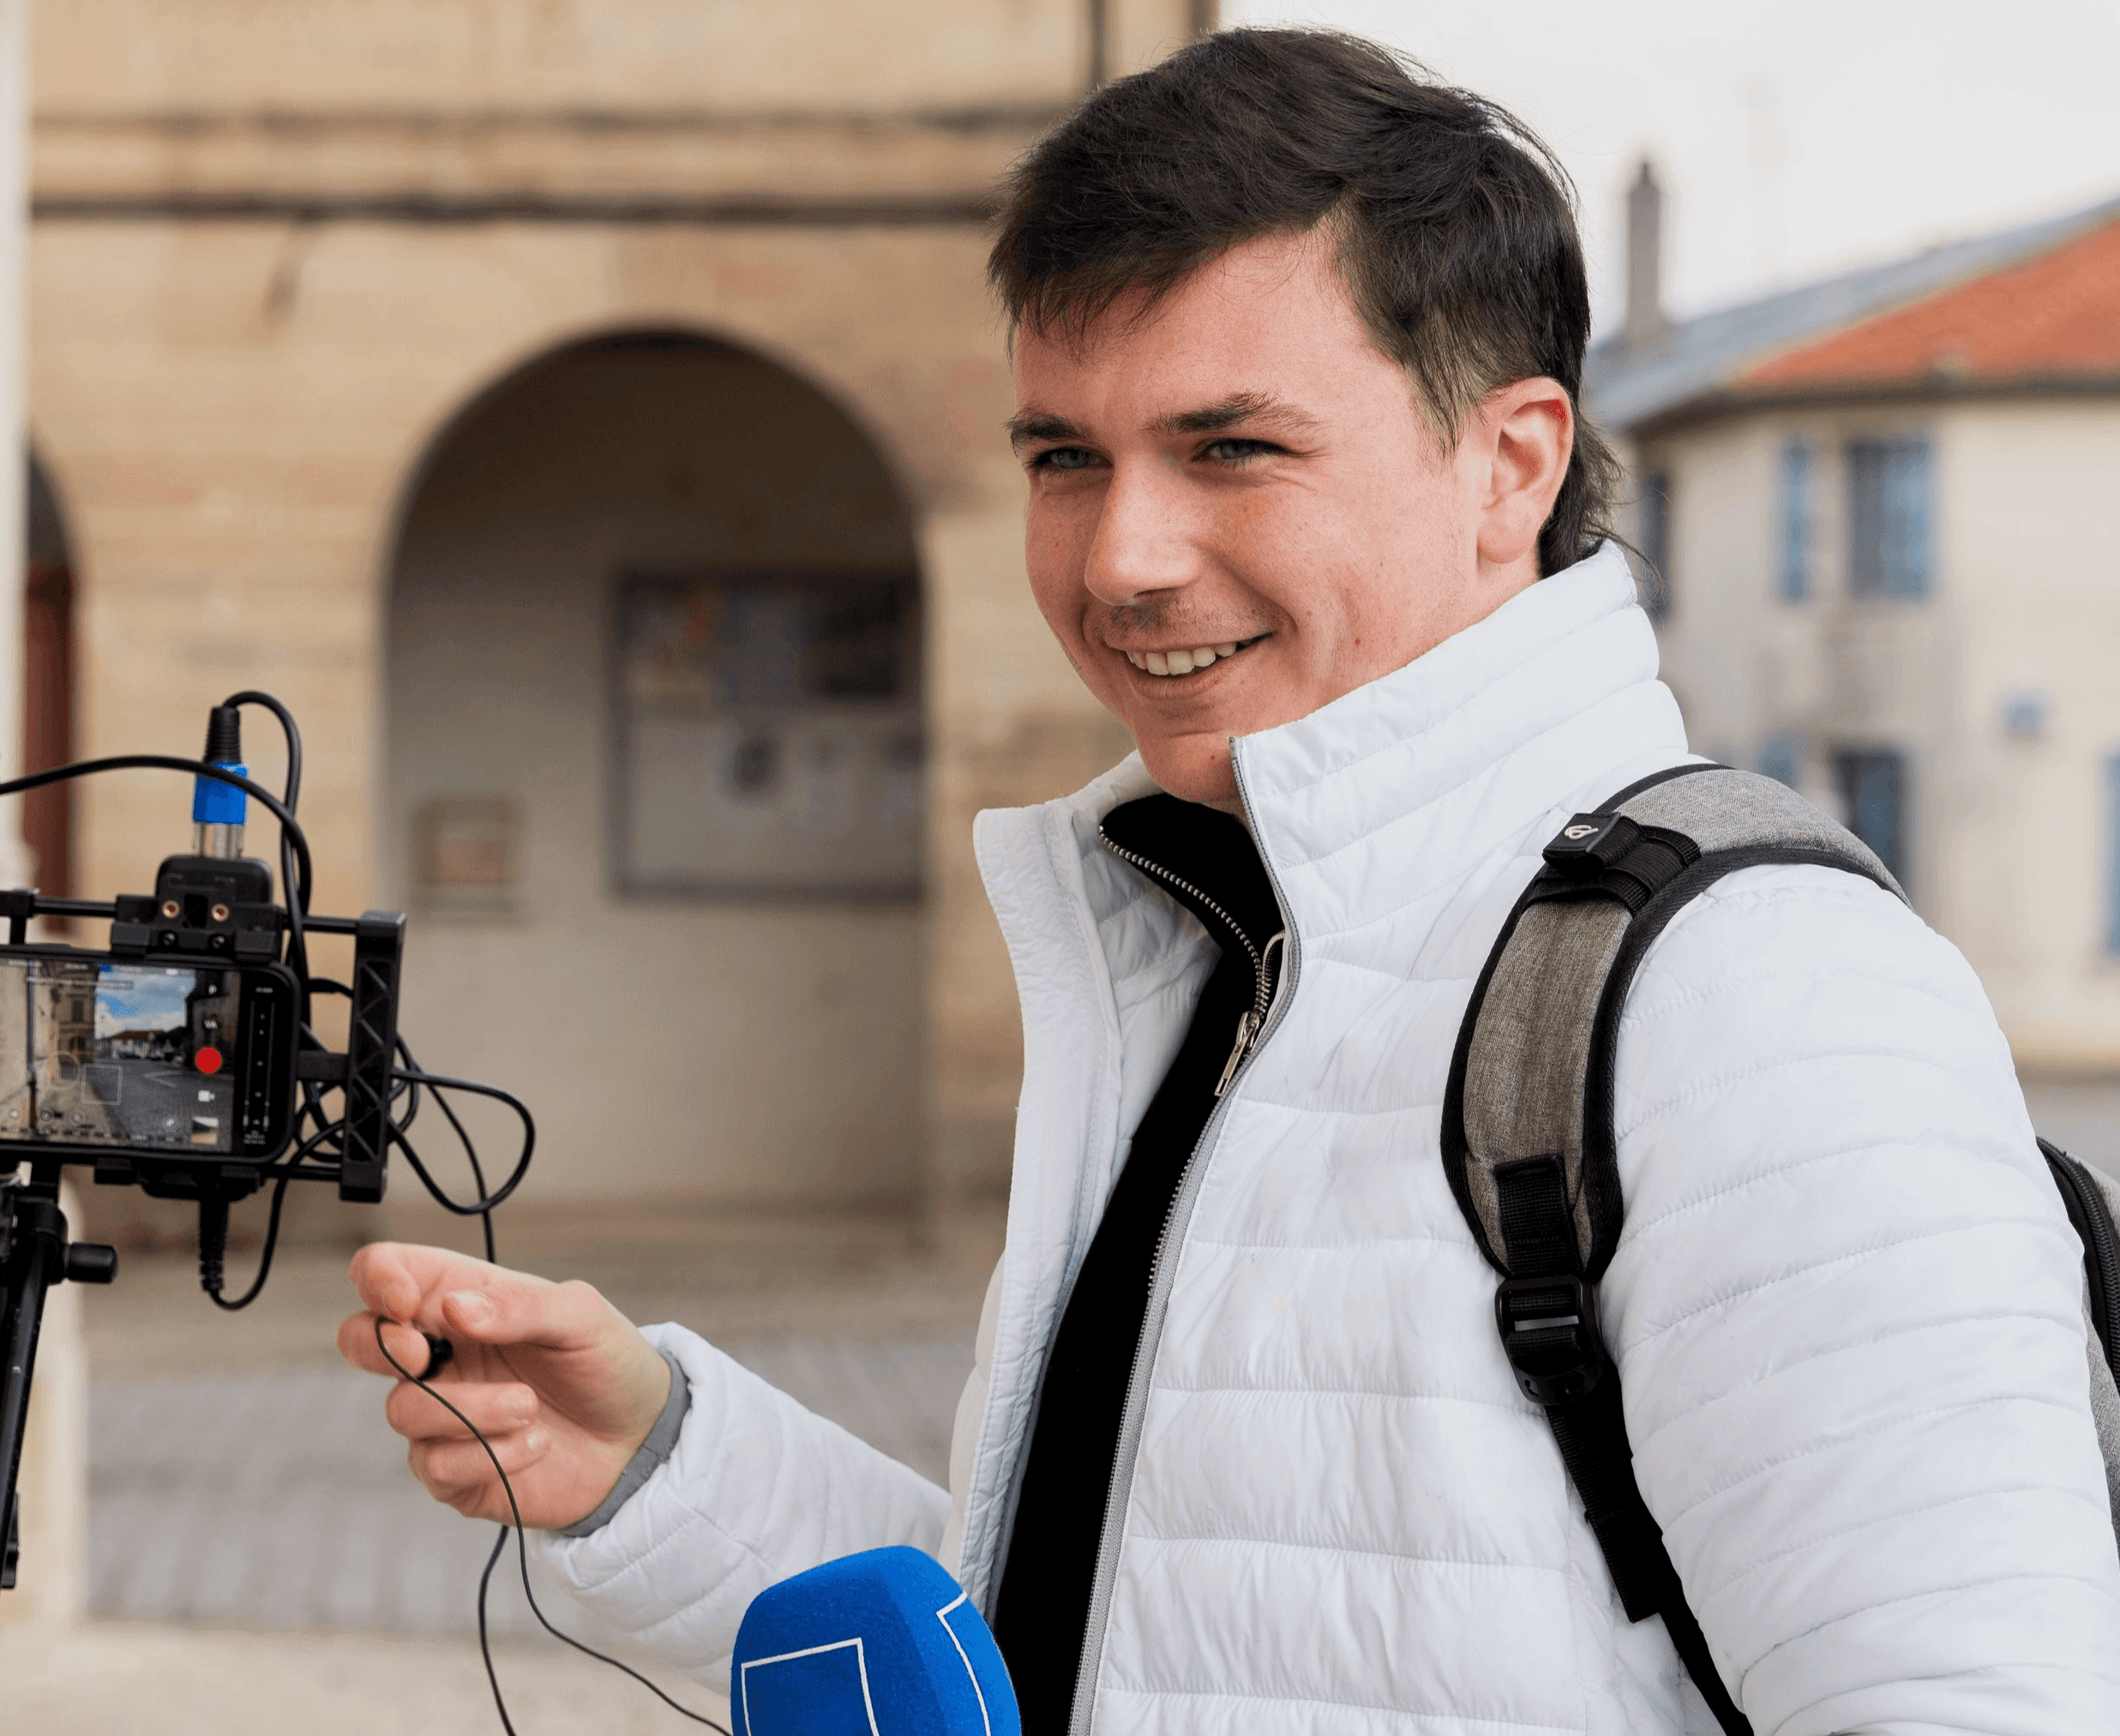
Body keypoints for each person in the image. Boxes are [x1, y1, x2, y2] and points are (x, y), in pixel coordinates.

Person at [340, 28, 2120, 1733]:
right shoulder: (1214, 944)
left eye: (1230, 449)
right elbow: (1132, 1643)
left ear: (1513, 464)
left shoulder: (1756, 994)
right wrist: (658, 1461)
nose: (1124, 556)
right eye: (1065, 458)